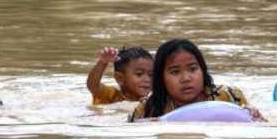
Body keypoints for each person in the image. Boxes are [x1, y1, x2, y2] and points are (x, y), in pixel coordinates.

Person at [129, 39, 263, 121]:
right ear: (161, 78)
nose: (186, 78)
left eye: (193, 69)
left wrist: (256, 117)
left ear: (203, 70)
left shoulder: (229, 96)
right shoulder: (148, 108)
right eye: (175, 72)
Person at [86, 46, 154, 105]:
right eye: (139, 74)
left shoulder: (151, 100)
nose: (147, 80)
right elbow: (93, 86)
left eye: (151, 75)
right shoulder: (112, 95)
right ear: (120, 78)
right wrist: (103, 62)